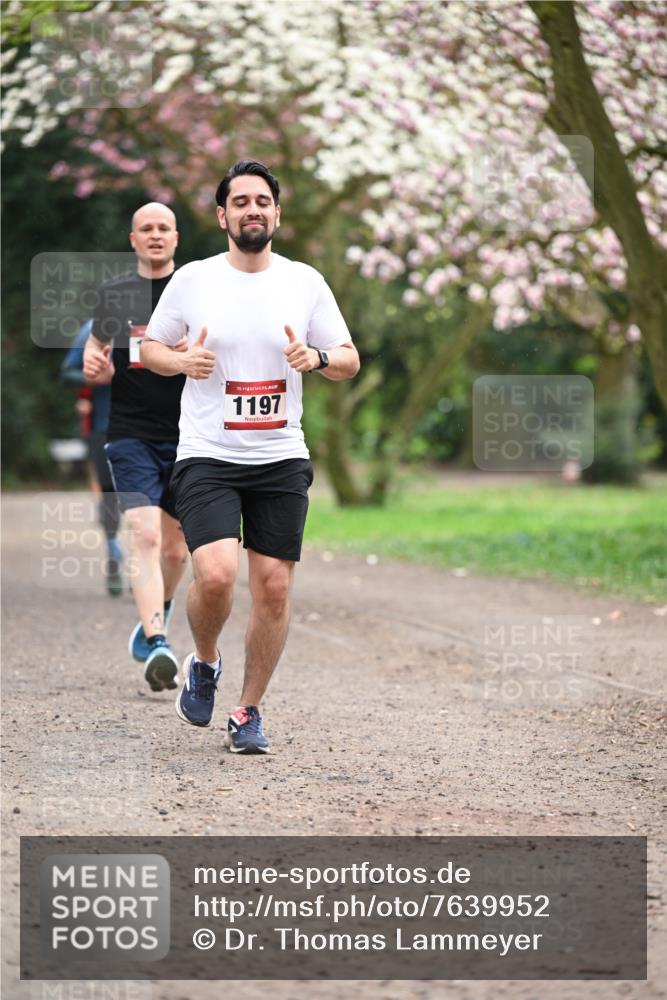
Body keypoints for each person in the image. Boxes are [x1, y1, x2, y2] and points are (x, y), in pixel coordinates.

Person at [141, 159, 360, 754]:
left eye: (262, 201)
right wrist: (181, 362)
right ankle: (205, 661)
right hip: (208, 453)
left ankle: (248, 711)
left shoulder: (304, 282)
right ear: (223, 216)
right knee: (215, 576)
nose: (252, 209)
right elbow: (151, 347)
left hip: (280, 454)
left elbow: (348, 358)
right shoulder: (194, 280)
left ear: (277, 214)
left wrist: (316, 358)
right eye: (240, 202)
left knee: (274, 588)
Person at [83, 203, 189, 692]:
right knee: (145, 534)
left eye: (163, 228)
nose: (155, 235)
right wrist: (95, 364)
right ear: (133, 240)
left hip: (190, 433)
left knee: (177, 551)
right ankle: (158, 640)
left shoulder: (194, 290)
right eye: (146, 228)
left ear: (176, 237)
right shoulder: (114, 294)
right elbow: (96, 347)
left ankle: (155, 611)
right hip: (130, 432)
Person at [61, 319, 123, 596]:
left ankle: (151, 566)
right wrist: (95, 378)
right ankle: (113, 553)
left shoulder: (161, 321)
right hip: (104, 427)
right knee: (110, 494)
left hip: (153, 429)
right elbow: (67, 373)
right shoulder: (91, 330)